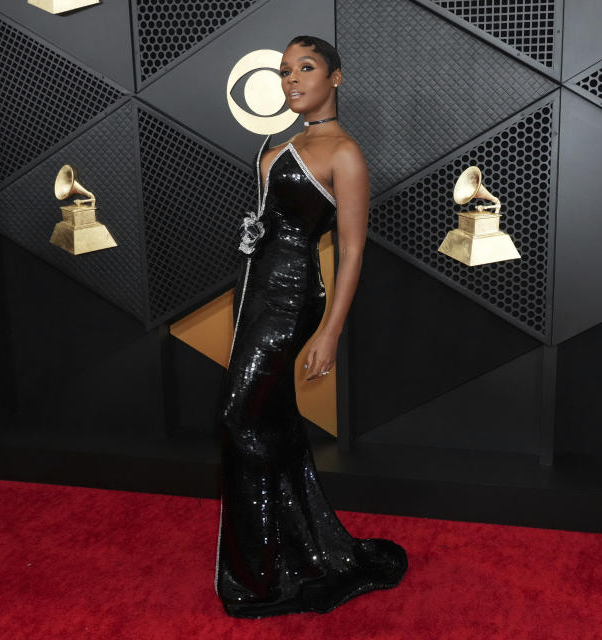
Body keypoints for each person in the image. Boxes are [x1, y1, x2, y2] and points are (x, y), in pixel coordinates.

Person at [214, 35, 408, 618]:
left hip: (292, 300)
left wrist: (330, 332)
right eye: (283, 71)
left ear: (336, 78)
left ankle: (260, 578)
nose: (291, 79)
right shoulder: (286, 143)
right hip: (254, 295)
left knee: (239, 417)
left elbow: (351, 252)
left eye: (306, 68)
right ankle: (293, 551)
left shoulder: (343, 153)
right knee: (270, 419)